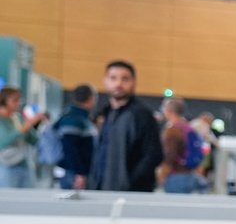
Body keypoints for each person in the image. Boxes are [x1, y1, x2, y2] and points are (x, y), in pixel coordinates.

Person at [88, 60, 163, 192]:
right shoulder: (105, 114)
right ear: (105, 81)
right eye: (113, 78)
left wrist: (131, 181)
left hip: (130, 192)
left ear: (133, 82)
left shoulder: (141, 115)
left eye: (125, 79)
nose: (118, 84)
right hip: (101, 188)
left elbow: (153, 154)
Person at [49, 84, 98, 190]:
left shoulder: (81, 116)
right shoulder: (73, 118)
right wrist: (79, 173)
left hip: (77, 171)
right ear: (91, 98)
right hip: (73, 173)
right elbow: (69, 148)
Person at [0, 86, 48, 187]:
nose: (18, 103)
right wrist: (28, 124)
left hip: (24, 164)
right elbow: (5, 140)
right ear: (4, 100)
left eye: (19, 100)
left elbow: (32, 139)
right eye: (15, 100)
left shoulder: (17, 118)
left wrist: (39, 126)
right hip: (6, 165)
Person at [156, 97, 205, 194]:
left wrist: (162, 174)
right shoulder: (187, 127)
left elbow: (170, 155)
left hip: (175, 175)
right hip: (189, 174)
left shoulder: (172, 130)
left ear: (169, 111)